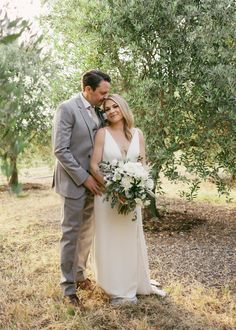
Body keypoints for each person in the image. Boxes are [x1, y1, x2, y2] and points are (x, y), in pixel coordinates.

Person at [90, 94, 166, 305]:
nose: (112, 111)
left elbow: (142, 163)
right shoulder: (102, 134)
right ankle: (116, 289)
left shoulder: (138, 133)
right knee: (110, 240)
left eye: (115, 106)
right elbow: (94, 165)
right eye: (106, 109)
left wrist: (136, 188)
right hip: (107, 197)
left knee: (130, 239)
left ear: (123, 108)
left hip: (131, 197)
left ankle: (137, 282)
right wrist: (111, 187)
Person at [52, 69, 111, 306]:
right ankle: (67, 289)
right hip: (73, 183)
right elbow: (60, 149)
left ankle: (79, 275)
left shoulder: (99, 110)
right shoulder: (67, 108)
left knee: (86, 233)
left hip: (93, 184)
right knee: (71, 235)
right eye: (102, 92)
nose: (105, 97)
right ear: (87, 89)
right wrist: (84, 177)